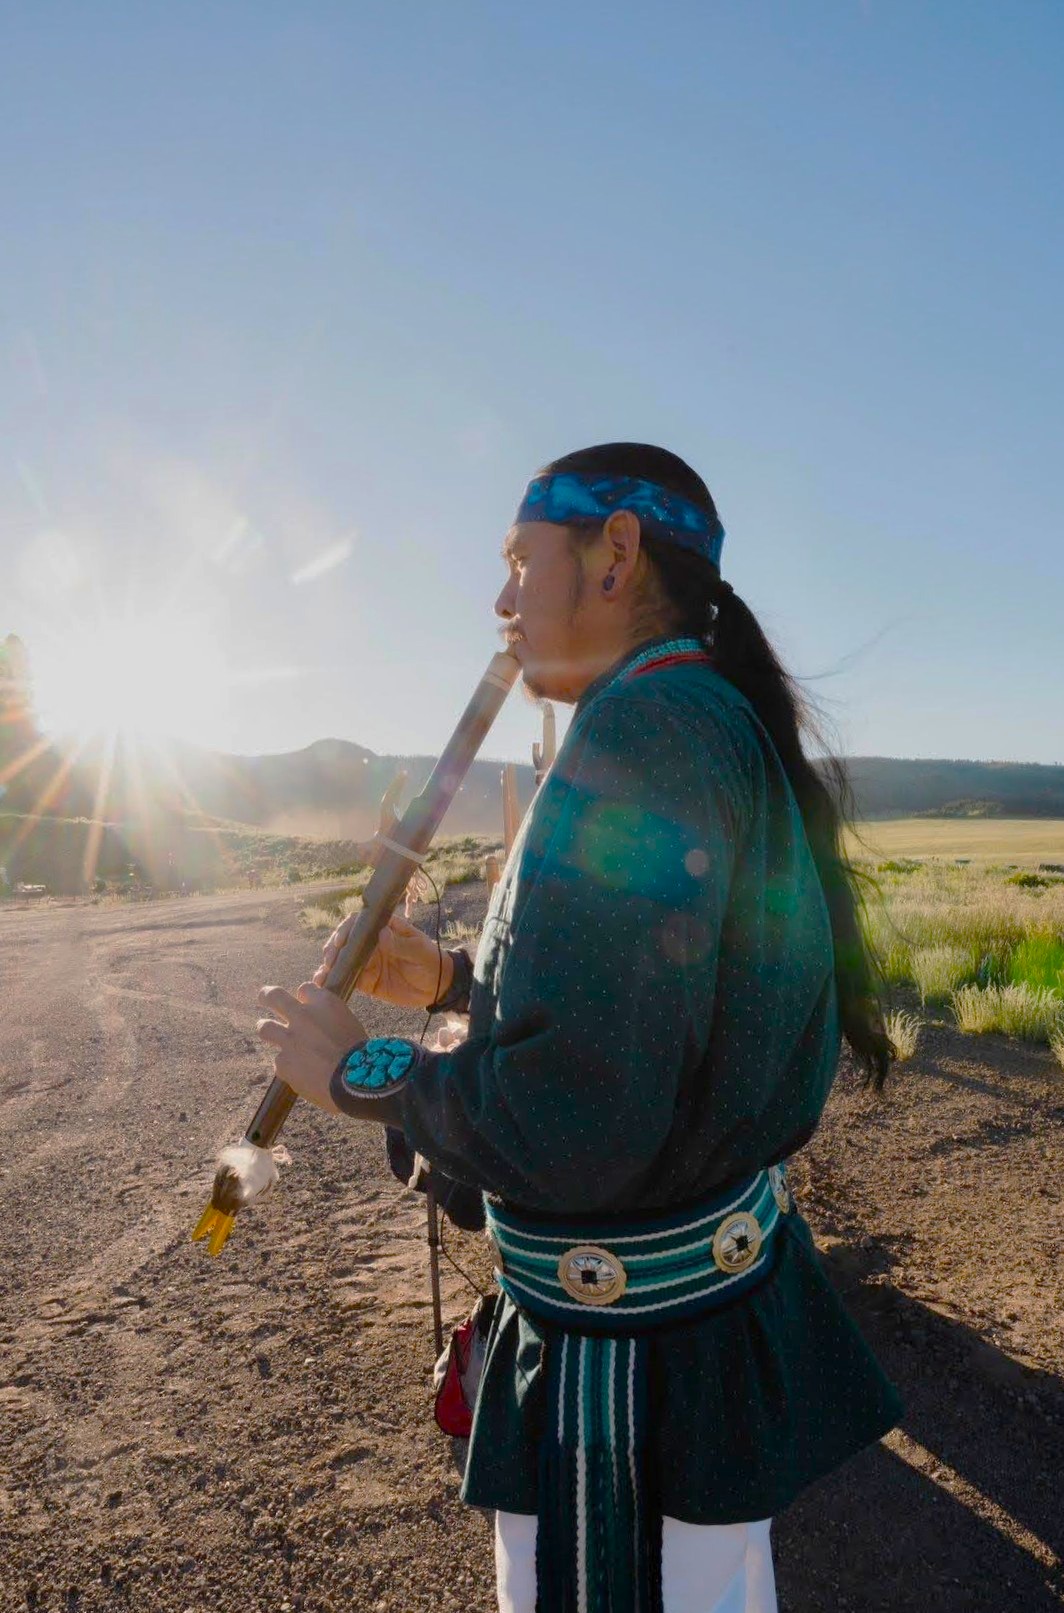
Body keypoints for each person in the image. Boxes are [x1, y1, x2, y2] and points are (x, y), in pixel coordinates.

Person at [255, 443, 903, 1613]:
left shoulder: (643, 733)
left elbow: (579, 1118)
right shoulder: (684, 713)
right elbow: (661, 1012)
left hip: (632, 1375)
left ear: (614, 552)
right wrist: (455, 980)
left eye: (517, 561)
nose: (500, 600)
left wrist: (362, 1070)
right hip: (684, 1338)